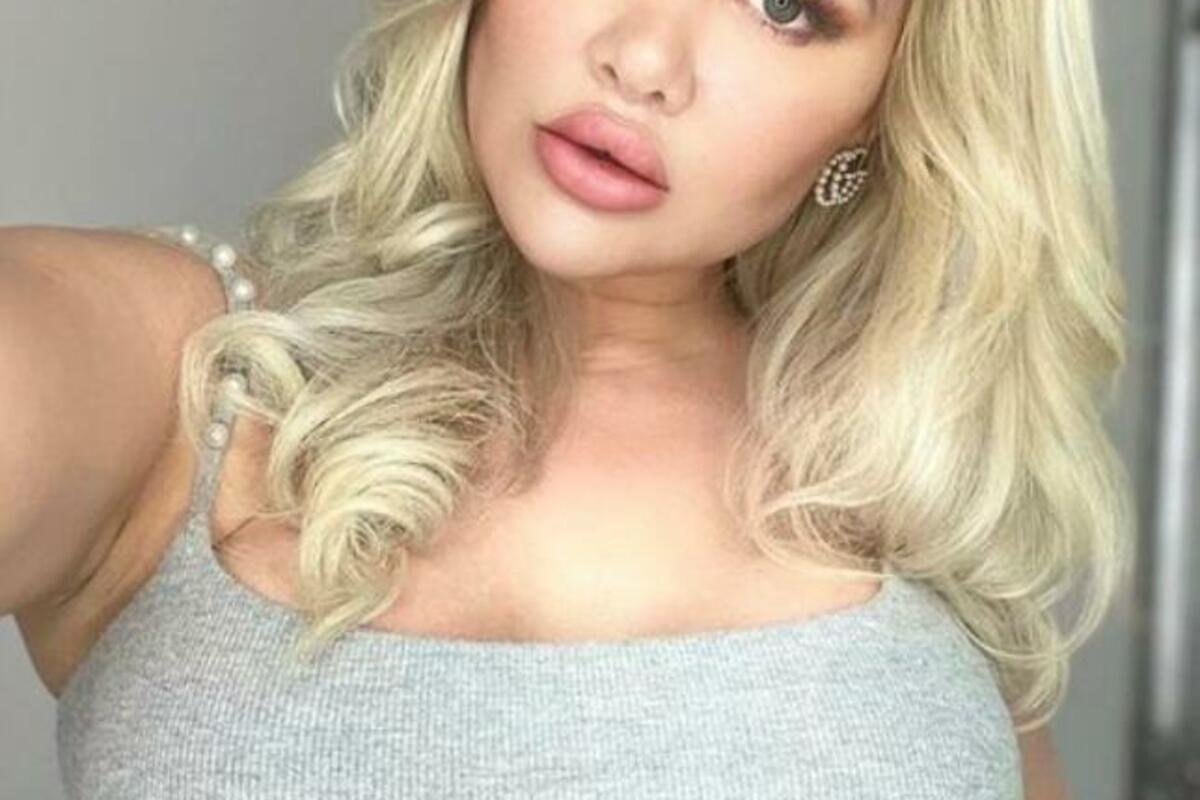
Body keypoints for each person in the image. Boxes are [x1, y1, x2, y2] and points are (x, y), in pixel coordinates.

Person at [0, 0, 1128, 796]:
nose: (644, 57)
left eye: (785, 5)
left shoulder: (914, 493)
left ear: (880, 108)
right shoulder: (191, 381)